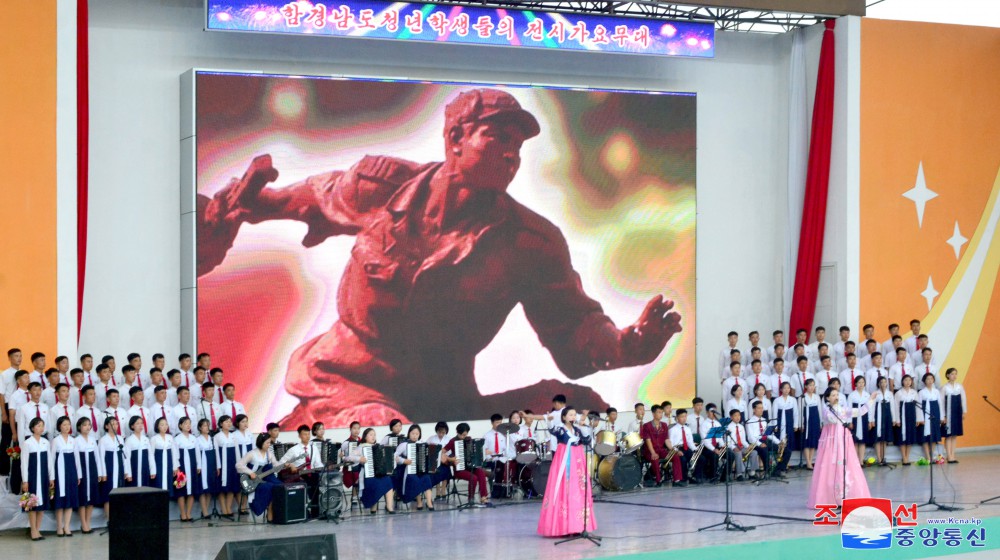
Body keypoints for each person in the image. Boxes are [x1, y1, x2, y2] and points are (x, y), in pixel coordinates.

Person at [198, 88, 683, 427]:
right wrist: (225, 213)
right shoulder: (379, 187)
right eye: (497, 139)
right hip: (348, 384)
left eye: (516, 147)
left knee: (578, 410)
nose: (511, 156)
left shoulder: (531, 243)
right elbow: (283, 201)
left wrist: (626, 345)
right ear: (455, 139)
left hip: (444, 401)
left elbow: (575, 330)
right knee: (382, 432)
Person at [806, 387, 874, 508]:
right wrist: (841, 413)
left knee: (845, 466)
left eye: (837, 395)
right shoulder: (826, 409)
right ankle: (829, 497)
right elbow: (831, 419)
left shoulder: (842, 409)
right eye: (833, 395)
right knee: (829, 468)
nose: (836, 397)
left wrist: (870, 400)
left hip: (843, 440)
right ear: (827, 398)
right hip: (831, 442)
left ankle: (845, 496)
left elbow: (859, 411)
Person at [537, 406, 596, 537]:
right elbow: (552, 430)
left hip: (577, 463)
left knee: (576, 493)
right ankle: (562, 527)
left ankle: (577, 526)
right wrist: (550, 421)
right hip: (564, 462)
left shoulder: (577, 430)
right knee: (564, 490)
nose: (573, 417)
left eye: (575, 415)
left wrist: (583, 427)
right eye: (570, 415)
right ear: (564, 417)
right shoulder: (561, 429)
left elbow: (587, 441)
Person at [236, 433, 291, 522]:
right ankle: (268, 510)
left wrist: (284, 465)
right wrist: (250, 473)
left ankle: (273, 509)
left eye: (269, 443)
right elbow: (239, 465)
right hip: (255, 481)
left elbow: (276, 465)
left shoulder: (269, 454)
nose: (269, 445)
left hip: (268, 478)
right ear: (261, 443)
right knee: (268, 487)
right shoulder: (252, 454)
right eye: (267, 443)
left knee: (280, 487)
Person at [349, 427, 396, 514]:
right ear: (365, 437)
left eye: (374, 435)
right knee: (373, 482)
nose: (373, 437)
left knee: (388, 480)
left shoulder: (379, 447)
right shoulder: (361, 447)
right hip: (367, 474)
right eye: (371, 435)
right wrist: (360, 459)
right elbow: (348, 457)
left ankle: (389, 506)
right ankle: (373, 506)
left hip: (380, 473)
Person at [443, 422, 492, 507]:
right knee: (474, 478)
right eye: (462, 435)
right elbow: (442, 452)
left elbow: (474, 452)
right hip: (459, 469)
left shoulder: (469, 440)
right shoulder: (453, 441)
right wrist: (450, 459)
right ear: (457, 432)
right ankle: (471, 498)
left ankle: (483, 497)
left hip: (470, 466)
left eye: (465, 435)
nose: (463, 437)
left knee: (480, 473)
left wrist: (483, 452)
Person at [21, 418, 52, 541]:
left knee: (42, 504)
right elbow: (23, 463)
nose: (41, 428)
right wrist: (25, 481)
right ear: (33, 428)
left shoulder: (46, 442)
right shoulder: (27, 443)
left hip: (44, 477)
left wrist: (51, 477)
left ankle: (38, 529)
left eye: (42, 426)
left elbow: (49, 461)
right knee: (32, 504)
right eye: (38, 426)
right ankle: (33, 530)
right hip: (32, 478)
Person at [51, 415, 81, 536]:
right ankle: (59, 526)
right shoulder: (55, 440)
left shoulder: (73, 440)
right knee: (60, 499)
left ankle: (67, 526)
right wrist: (52, 476)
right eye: (64, 425)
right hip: (59, 471)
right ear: (59, 426)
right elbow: (52, 459)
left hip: (71, 470)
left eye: (68, 424)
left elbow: (77, 459)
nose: (67, 427)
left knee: (70, 499)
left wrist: (78, 475)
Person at [393, 424, 435, 510]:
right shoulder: (404, 445)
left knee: (427, 478)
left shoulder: (422, 444)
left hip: (421, 470)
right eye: (413, 433)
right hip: (408, 470)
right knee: (414, 479)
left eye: (417, 434)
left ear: (419, 434)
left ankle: (429, 503)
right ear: (409, 434)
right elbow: (394, 456)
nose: (415, 436)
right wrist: (404, 461)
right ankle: (419, 502)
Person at [74, 417, 103, 534]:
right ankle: (83, 523)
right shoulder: (76, 440)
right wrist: (79, 475)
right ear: (79, 427)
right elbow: (76, 459)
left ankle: (88, 522)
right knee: (83, 498)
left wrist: (99, 473)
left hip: (92, 470)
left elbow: (97, 457)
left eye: (89, 425)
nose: (87, 427)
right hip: (82, 470)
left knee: (91, 498)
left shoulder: (92, 440)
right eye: (84, 425)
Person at [98, 417, 131, 519]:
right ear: (106, 426)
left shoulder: (120, 438)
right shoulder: (103, 440)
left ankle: (119, 518)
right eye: (112, 424)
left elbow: (124, 456)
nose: (115, 426)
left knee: (120, 493)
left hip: (119, 469)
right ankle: (109, 519)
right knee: (108, 495)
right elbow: (101, 458)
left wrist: (126, 471)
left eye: (116, 424)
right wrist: (103, 473)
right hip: (109, 469)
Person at [175, 416, 203, 522]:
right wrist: (177, 468)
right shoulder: (177, 439)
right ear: (180, 425)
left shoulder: (193, 438)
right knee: (181, 490)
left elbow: (197, 454)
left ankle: (188, 513)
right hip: (181, 467)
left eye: (189, 423)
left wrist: (199, 466)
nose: (188, 425)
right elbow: (175, 455)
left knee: (192, 490)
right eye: (185, 423)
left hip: (192, 466)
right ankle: (182, 514)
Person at [214, 415, 239, 517]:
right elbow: (216, 452)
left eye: (230, 421)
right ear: (221, 424)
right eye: (226, 422)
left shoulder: (233, 436)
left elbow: (237, 451)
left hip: (232, 463)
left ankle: (228, 507)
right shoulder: (217, 437)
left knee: (232, 486)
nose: (229, 423)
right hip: (222, 464)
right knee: (222, 487)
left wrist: (238, 465)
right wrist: (218, 466)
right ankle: (223, 509)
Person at [640, 404, 671, 486]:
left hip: (660, 449)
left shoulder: (664, 425)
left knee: (675, 456)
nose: (661, 414)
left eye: (662, 412)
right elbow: (648, 440)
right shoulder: (647, 425)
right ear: (653, 414)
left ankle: (677, 479)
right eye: (659, 412)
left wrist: (672, 449)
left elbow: (666, 439)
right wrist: (653, 452)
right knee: (655, 458)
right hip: (649, 451)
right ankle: (658, 479)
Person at [917, 373, 945, 462]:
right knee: (925, 436)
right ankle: (927, 456)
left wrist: (941, 416)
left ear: (933, 380)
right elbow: (919, 407)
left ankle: (931, 454)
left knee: (934, 435)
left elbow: (940, 404)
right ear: (924, 381)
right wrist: (920, 418)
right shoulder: (921, 392)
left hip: (935, 413)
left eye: (931, 379)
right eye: (927, 379)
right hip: (925, 414)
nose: (929, 381)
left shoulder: (936, 391)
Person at [195, 418, 220, 519]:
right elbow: (197, 453)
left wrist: (218, 466)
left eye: (208, 425)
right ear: (200, 428)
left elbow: (216, 452)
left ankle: (204, 509)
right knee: (202, 488)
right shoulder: (197, 439)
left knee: (210, 487)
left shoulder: (212, 438)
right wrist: (198, 466)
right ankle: (205, 511)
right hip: (202, 463)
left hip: (211, 463)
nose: (207, 427)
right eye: (205, 425)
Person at [941, 368, 967, 463]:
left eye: (955, 374)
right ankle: (949, 455)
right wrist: (943, 416)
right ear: (947, 375)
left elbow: (963, 399)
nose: (954, 376)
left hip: (956, 413)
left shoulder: (959, 387)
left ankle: (953, 455)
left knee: (954, 435)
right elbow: (942, 402)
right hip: (948, 414)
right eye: (952, 374)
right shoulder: (944, 388)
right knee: (948, 435)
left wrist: (964, 412)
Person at [150, 418, 179, 500]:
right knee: (158, 486)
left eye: (166, 424)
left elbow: (174, 453)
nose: (165, 426)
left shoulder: (170, 437)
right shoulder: (154, 439)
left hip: (168, 465)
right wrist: (153, 470)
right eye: (162, 425)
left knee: (168, 485)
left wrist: (175, 467)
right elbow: (151, 455)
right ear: (157, 426)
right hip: (158, 465)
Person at [847, 376, 873, 463]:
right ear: (855, 384)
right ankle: (855, 462)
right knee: (855, 440)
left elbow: (870, 408)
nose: (861, 384)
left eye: (862, 382)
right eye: (859, 382)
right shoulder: (852, 395)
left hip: (864, 418)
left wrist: (870, 421)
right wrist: (849, 421)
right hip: (854, 418)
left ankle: (861, 460)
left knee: (863, 441)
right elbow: (849, 409)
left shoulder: (867, 395)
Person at [894, 375, 919, 465]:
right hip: (902, 416)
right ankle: (903, 457)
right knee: (902, 437)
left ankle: (907, 456)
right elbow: (896, 407)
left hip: (911, 416)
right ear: (902, 382)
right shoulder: (898, 393)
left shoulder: (914, 392)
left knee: (909, 436)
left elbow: (917, 407)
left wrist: (918, 419)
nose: (908, 382)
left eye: (909, 380)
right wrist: (897, 419)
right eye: (906, 380)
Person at [870, 376, 895, 466]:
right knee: (878, 437)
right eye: (881, 382)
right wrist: (871, 420)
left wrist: (894, 419)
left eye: (885, 382)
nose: (883, 384)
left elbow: (892, 406)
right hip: (878, 415)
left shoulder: (890, 394)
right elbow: (871, 407)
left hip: (887, 415)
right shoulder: (875, 393)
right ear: (878, 384)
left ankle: (883, 457)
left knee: (884, 438)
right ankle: (879, 458)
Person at [124, 416, 155, 487]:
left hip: (145, 468)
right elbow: (127, 458)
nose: (140, 425)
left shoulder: (146, 439)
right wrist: (128, 473)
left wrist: (152, 470)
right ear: (132, 426)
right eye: (137, 423)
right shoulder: (129, 440)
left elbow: (150, 455)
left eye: (141, 423)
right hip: (133, 468)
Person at [424, 421, 451, 499]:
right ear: (437, 431)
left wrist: (444, 456)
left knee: (446, 470)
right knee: (435, 471)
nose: (441, 434)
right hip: (434, 462)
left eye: (443, 432)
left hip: (445, 461)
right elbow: (426, 450)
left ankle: (443, 490)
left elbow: (451, 451)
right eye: (439, 432)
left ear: (446, 431)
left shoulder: (449, 439)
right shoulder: (431, 439)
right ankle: (438, 491)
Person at [668, 409, 696, 485]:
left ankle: (696, 476)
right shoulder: (672, 430)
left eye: (685, 416)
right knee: (683, 459)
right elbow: (671, 444)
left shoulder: (688, 429)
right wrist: (676, 451)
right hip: (677, 449)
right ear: (677, 418)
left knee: (700, 458)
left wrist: (695, 449)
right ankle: (683, 478)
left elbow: (690, 442)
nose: (684, 418)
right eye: (682, 417)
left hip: (686, 448)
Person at [725, 409, 753, 481]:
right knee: (738, 453)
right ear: (731, 417)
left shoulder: (741, 427)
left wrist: (748, 446)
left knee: (753, 452)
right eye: (735, 415)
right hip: (733, 447)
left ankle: (752, 473)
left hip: (741, 446)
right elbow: (727, 441)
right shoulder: (728, 427)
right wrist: (733, 447)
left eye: (739, 415)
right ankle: (739, 474)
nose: (738, 417)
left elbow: (743, 440)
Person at [800, 379, 821, 469]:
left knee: (813, 441)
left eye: (813, 385)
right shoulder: (802, 397)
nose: (812, 387)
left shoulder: (817, 397)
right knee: (807, 441)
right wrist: (801, 424)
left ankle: (811, 460)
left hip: (815, 419)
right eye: (810, 385)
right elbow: (800, 411)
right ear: (806, 387)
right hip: (806, 421)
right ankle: (808, 462)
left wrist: (820, 423)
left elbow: (819, 410)